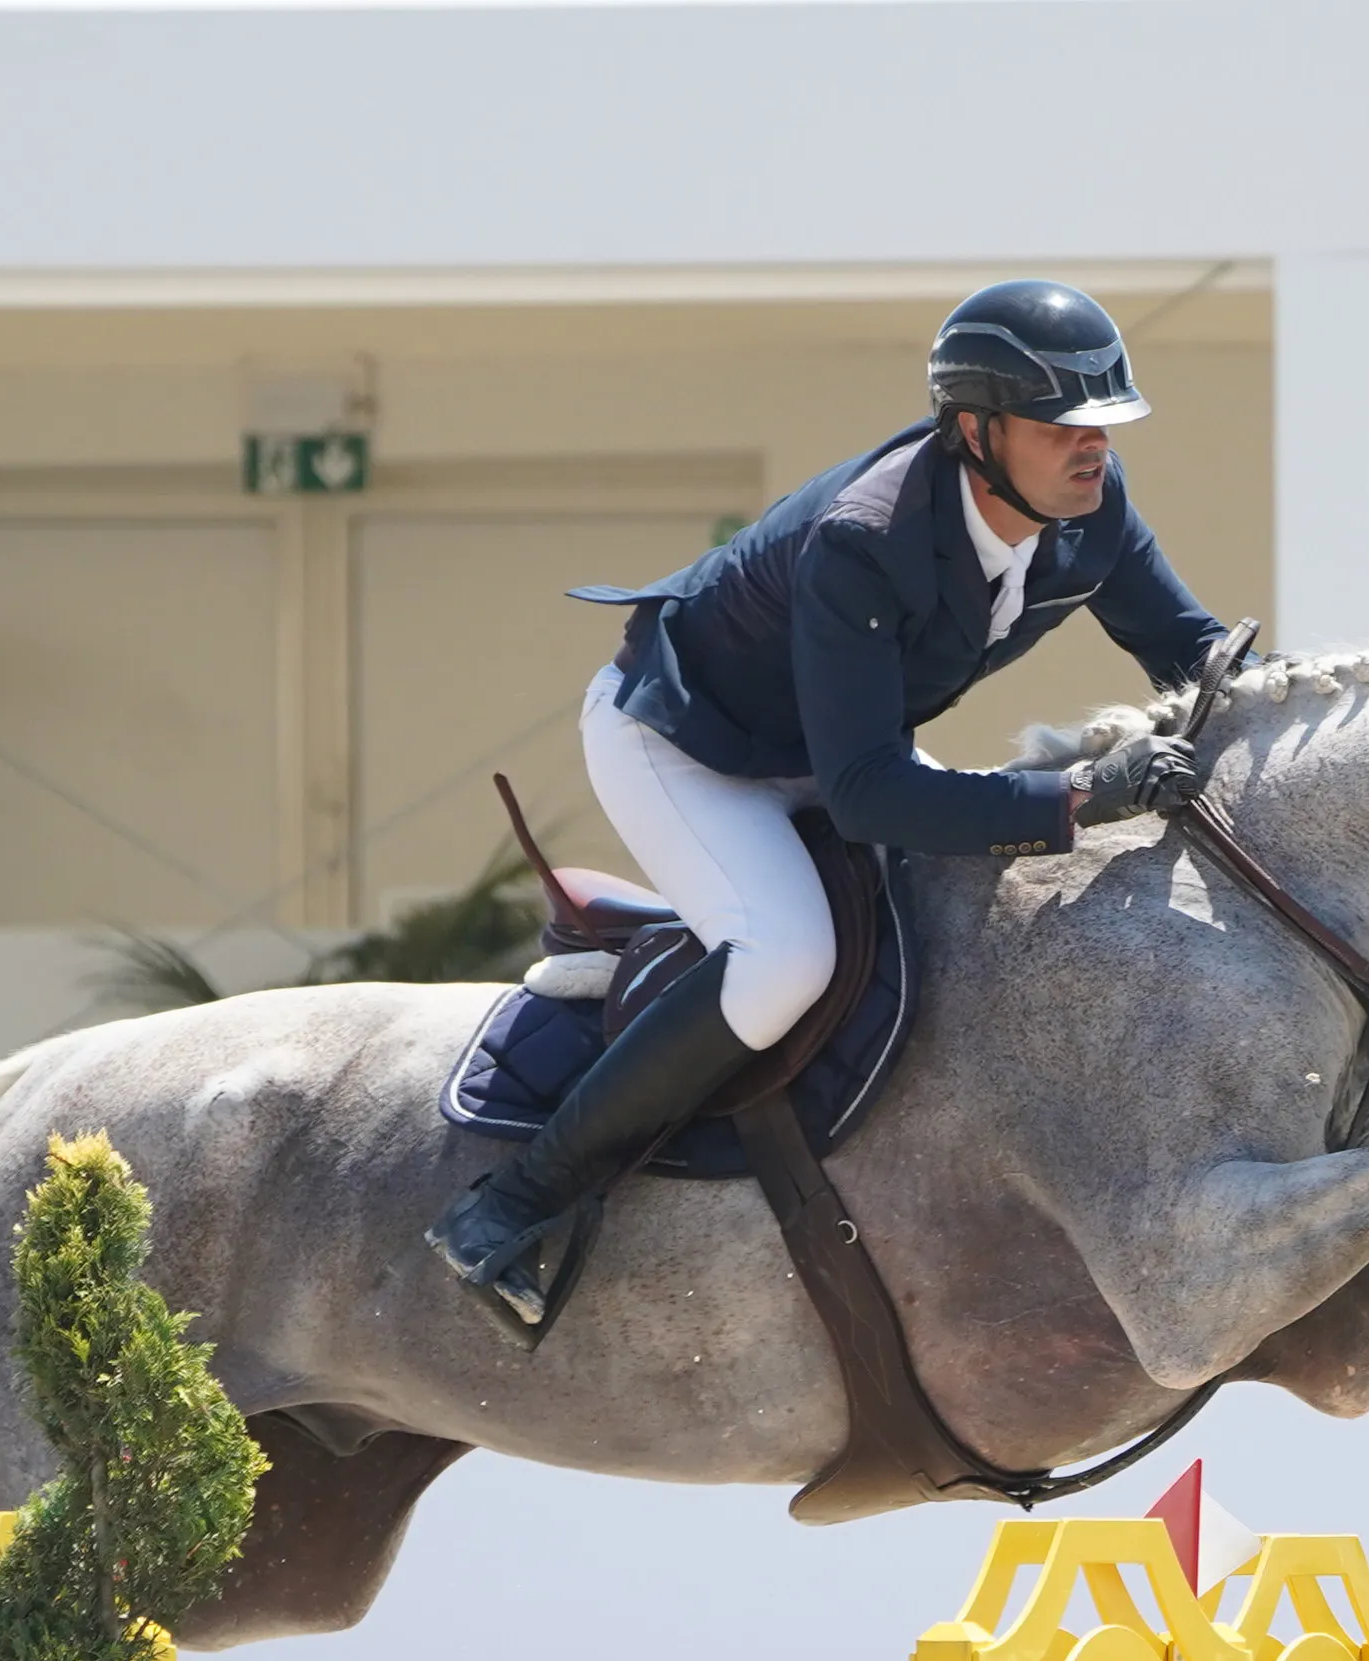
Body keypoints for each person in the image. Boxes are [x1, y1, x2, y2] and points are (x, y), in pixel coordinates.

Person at [436, 281, 1237, 1340]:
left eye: (1101, 424)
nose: (1089, 448)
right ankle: (516, 1201)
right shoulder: (867, 538)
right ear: (974, 430)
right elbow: (866, 797)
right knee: (786, 958)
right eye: (1060, 427)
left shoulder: (1089, 510)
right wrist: (1084, 794)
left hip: (829, 745)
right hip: (689, 749)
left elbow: (1192, 649)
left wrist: (1290, 720)